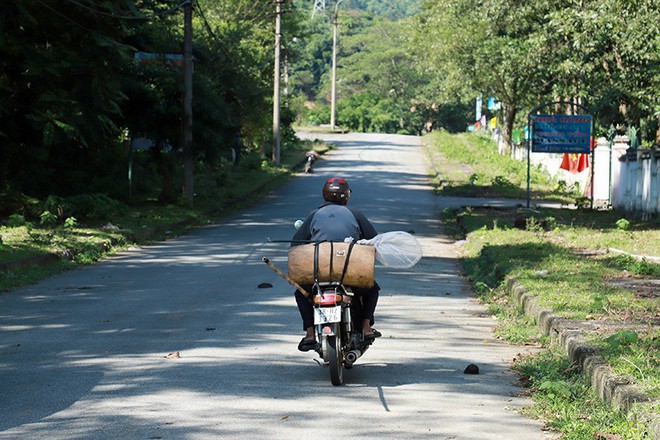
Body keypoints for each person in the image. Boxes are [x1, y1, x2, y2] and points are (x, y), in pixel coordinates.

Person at [291, 177, 381, 352]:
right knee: (372, 289)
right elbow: (373, 240)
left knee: (301, 293)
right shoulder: (355, 214)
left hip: (319, 275)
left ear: (324, 195)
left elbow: (296, 244)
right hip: (349, 272)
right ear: (346, 197)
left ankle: (310, 334)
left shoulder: (314, 215)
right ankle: (365, 326)